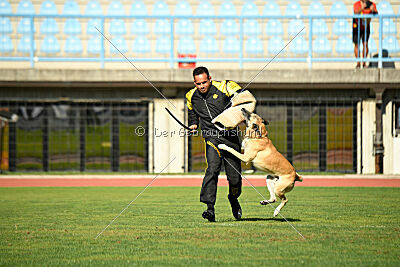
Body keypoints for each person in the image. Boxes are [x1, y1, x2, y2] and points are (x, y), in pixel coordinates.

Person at [186, 66, 243, 222]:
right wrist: (193, 124)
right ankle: (210, 208)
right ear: (194, 83)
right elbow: (192, 112)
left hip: (230, 138)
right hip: (211, 138)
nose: (202, 86)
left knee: (235, 178)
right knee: (212, 169)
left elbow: (243, 99)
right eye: (198, 84)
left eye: (204, 82)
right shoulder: (191, 96)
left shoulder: (225, 86)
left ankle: (233, 198)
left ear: (210, 79)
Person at [353, 0, 378, 68]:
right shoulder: (357, 4)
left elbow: (376, 13)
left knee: (365, 44)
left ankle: (364, 63)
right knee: (357, 44)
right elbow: (355, 13)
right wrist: (362, 8)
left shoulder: (371, 4)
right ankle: (358, 63)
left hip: (366, 27)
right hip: (357, 26)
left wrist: (373, 10)